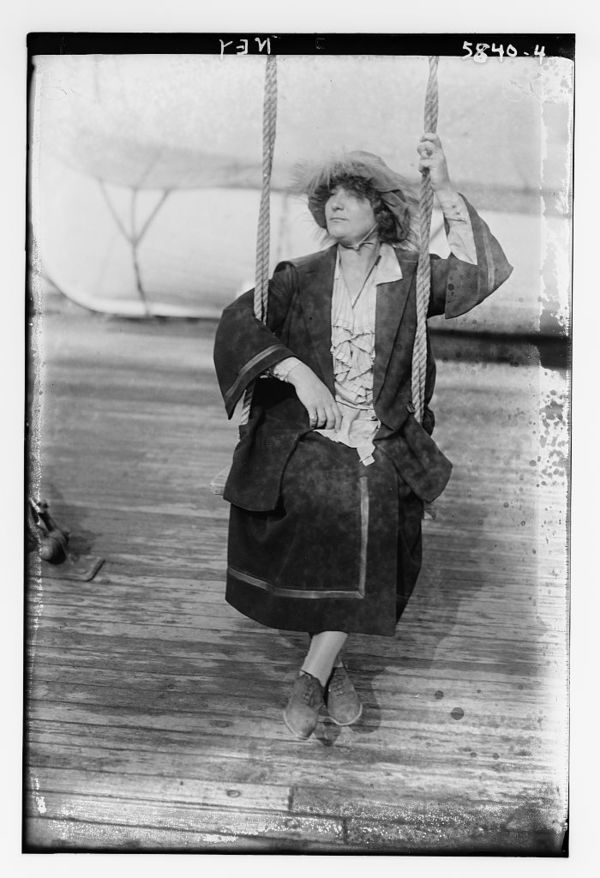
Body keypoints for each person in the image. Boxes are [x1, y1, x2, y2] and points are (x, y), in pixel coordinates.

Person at [213, 135, 512, 740]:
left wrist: (444, 181)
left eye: (351, 196)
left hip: (381, 431)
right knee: (317, 497)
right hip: (309, 430)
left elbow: (481, 273)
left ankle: (314, 673)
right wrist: (296, 373)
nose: (336, 205)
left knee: (373, 503)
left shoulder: (413, 277)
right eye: (329, 198)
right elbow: (238, 321)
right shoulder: (300, 276)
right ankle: (331, 666)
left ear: (382, 209)